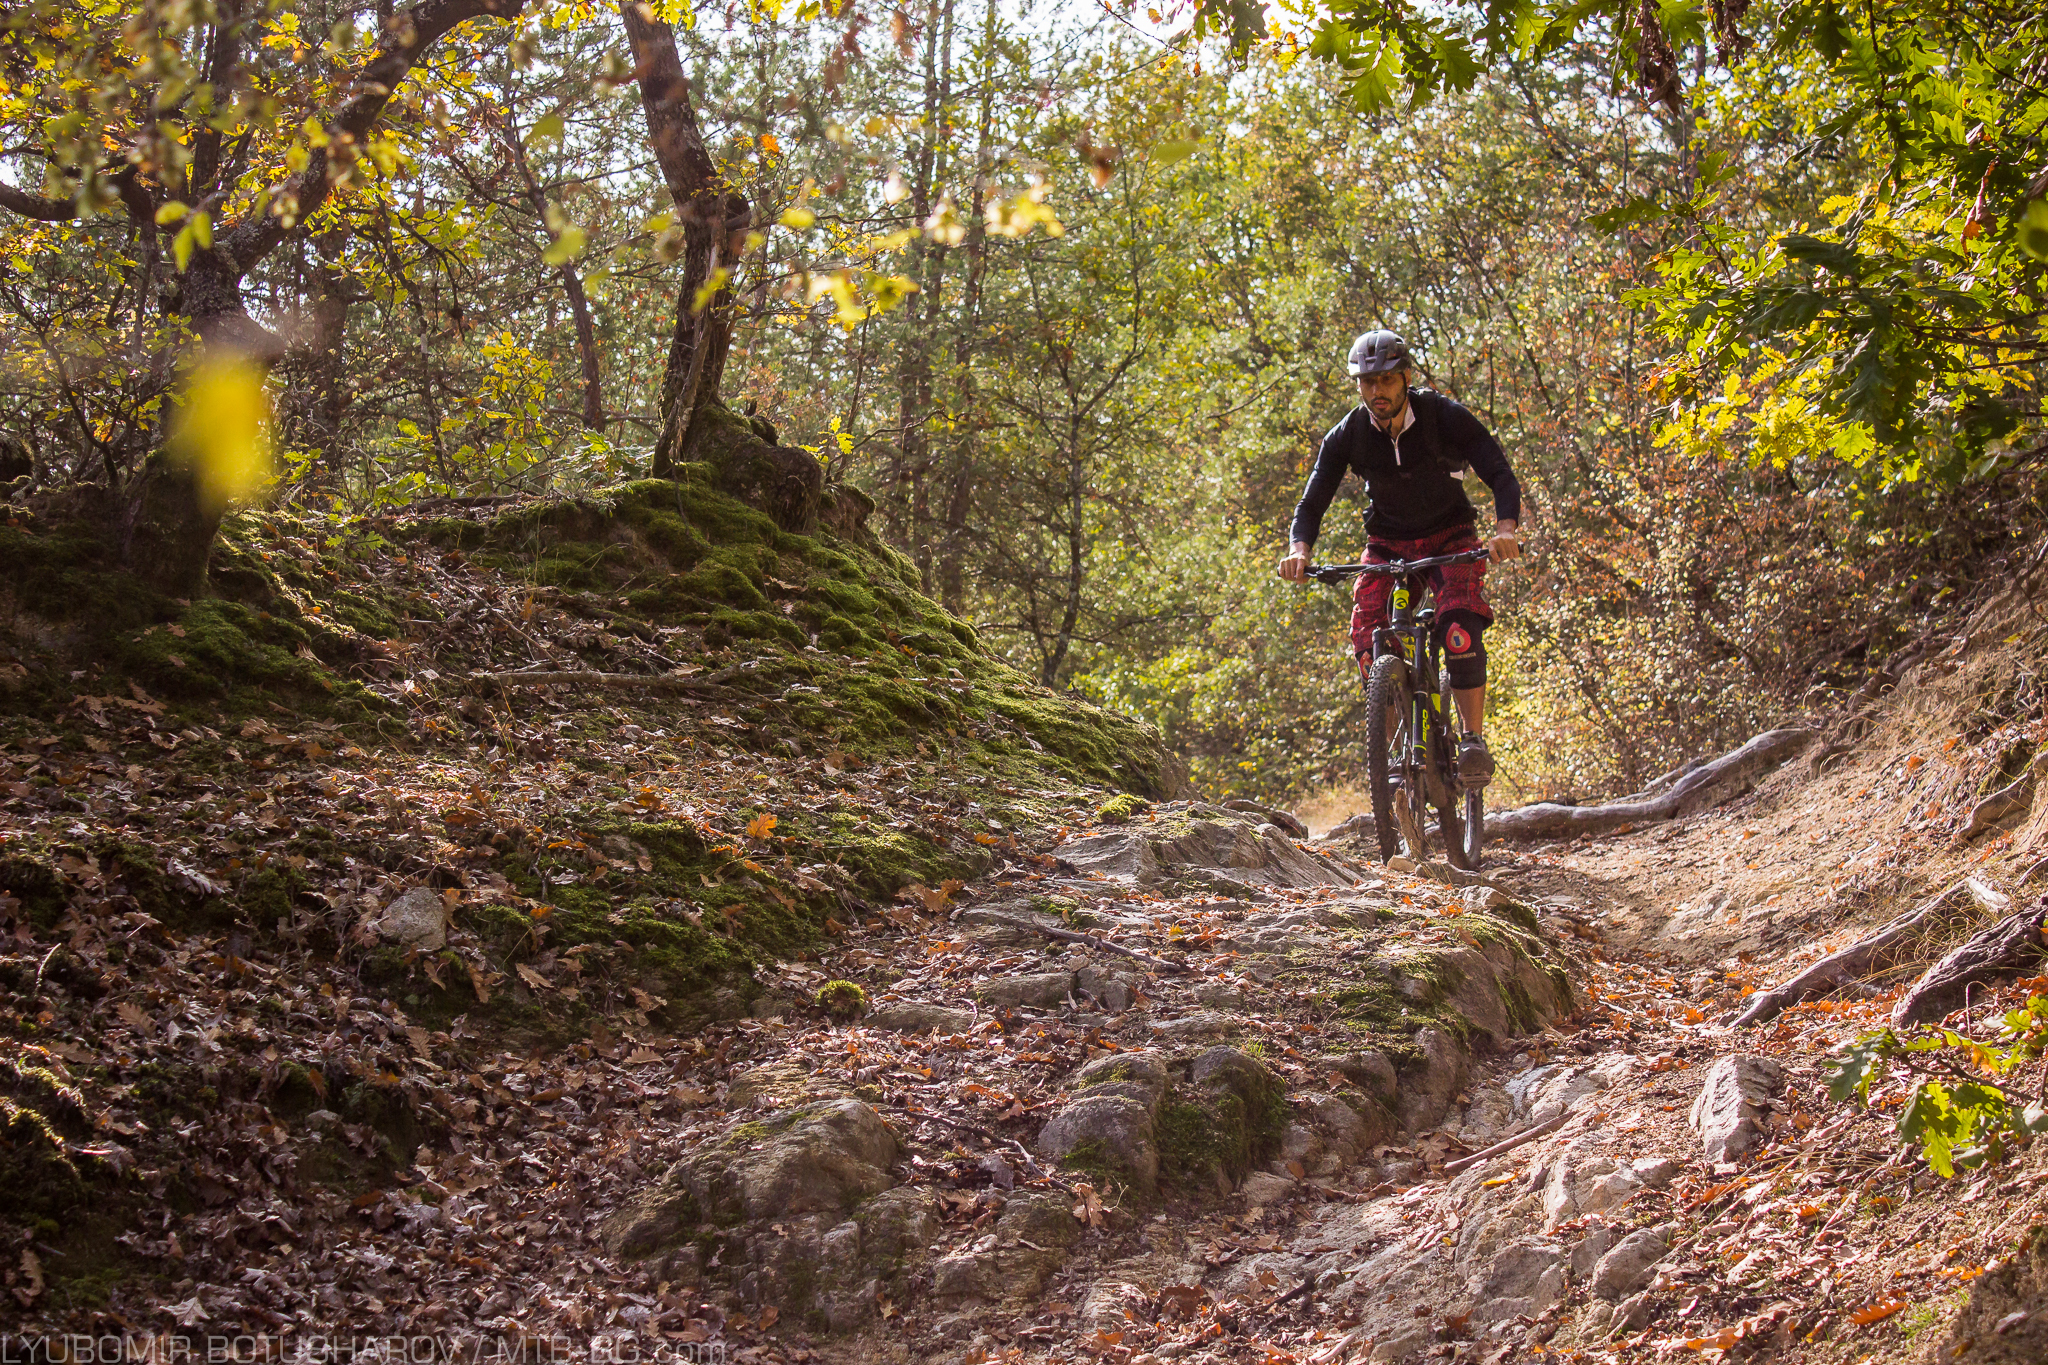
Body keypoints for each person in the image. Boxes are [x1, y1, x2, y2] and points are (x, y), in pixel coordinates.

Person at [1277, 330, 1523, 783]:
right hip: (1388, 545)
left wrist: (1505, 529)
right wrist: (1299, 551)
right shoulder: (1348, 434)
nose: (1377, 391)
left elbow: (1500, 474)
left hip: (1451, 539)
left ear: (1406, 377)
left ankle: (1472, 743)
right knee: (1367, 632)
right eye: (1367, 382)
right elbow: (1312, 502)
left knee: (1459, 629)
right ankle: (1392, 753)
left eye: (1387, 380)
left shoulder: (1444, 417)